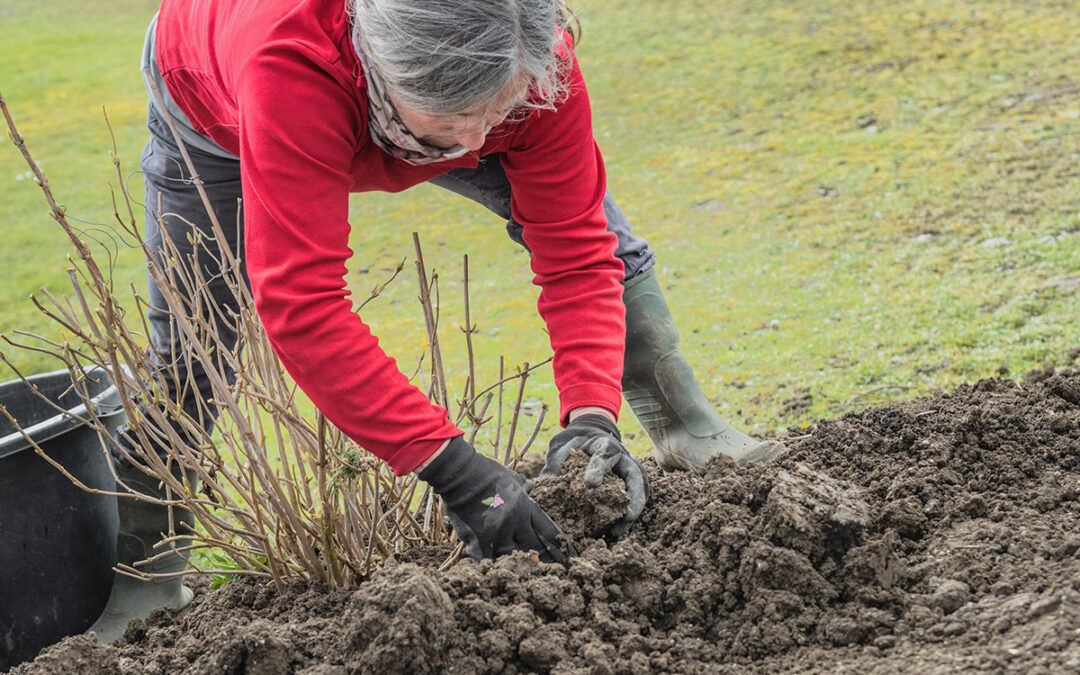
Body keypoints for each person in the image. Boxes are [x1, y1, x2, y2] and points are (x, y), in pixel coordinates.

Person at [88, 0, 783, 643]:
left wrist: (592, 417)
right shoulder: (290, 63)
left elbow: (574, 248)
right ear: (387, 79)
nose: (477, 143)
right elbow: (302, 306)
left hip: (423, 86)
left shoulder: (529, 57)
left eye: (497, 114)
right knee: (191, 343)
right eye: (455, 125)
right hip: (213, 103)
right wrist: (457, 471)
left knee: (606, 236)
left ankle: (686, 423)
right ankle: (145, 579)